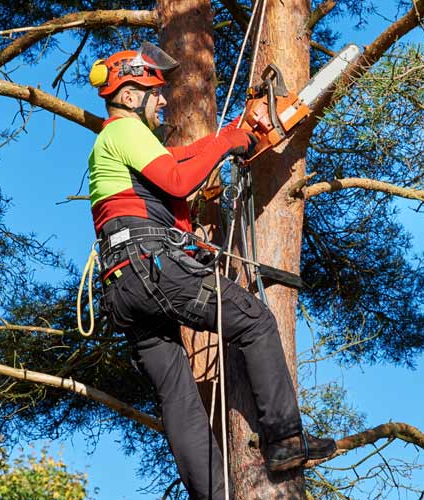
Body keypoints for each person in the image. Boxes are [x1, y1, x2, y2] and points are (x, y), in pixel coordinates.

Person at [86, 43, 336, 500]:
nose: (162, 100)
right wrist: (226, 142)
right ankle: (285, 440)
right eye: (153, 92)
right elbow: (181, 180)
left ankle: (213, 495)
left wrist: (232, 137)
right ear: (127, 95)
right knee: (257, 322)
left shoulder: (115, 144)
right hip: (152, 268)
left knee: (177, 396)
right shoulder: (123, 131)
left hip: (124, 286)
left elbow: (177, 166)